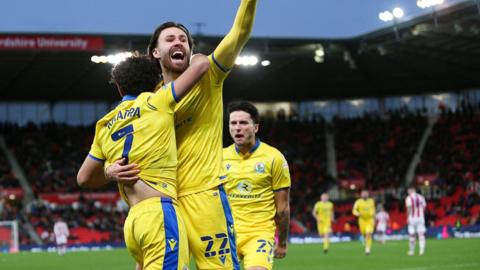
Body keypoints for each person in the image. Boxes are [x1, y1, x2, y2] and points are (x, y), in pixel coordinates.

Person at [106, 1, 258, 269]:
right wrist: (110, 169)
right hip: (162, 204)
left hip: (204, 197)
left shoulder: (208, 75)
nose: (179, 42)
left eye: (184, 39)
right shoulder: (149, 99)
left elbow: (240, 32)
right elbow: (123, 144)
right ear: (155, 52)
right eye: (170, 39)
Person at [77, 53, 210, 269]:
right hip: (160, 214)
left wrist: (109, 173)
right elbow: (203, 63)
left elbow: (83, 178)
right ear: (157, 83)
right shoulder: (158, 100)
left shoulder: (105, 124)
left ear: (119, 88)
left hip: (134, 223)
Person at [223, 101, 290, 270]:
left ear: (255, 128)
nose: (237, 127)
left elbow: (282, 208)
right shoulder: (219, 157)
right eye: (233, 123)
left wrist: (282, 242)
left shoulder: (274, 158)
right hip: (227, 234)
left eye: (244, 123)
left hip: (259, 233)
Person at [352, 190, 375, 255]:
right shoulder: (358, 202)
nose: (364, 195)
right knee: (364, 234)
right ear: (361, 195)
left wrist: (373, 215)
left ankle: (367, 249)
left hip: (369, 220)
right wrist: (358, 213)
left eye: (366, 194)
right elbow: (354, 210)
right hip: (362, 220)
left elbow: (373, 209)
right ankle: (365, 242)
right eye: (363, 194)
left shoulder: (371, 201)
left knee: (368, 233)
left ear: (368, 194)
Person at [405, 186, 427, 256]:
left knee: (412, 234)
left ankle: (411, 251)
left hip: (412, 218)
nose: (408, 192)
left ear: (412, 190)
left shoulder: (409, 198)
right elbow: (424, 207)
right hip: (420, 217)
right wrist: (421, 214)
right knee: (421, 234)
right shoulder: (421, 197)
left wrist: (408, 217)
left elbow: (409, 208)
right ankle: (421, 250)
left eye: (408, 190)